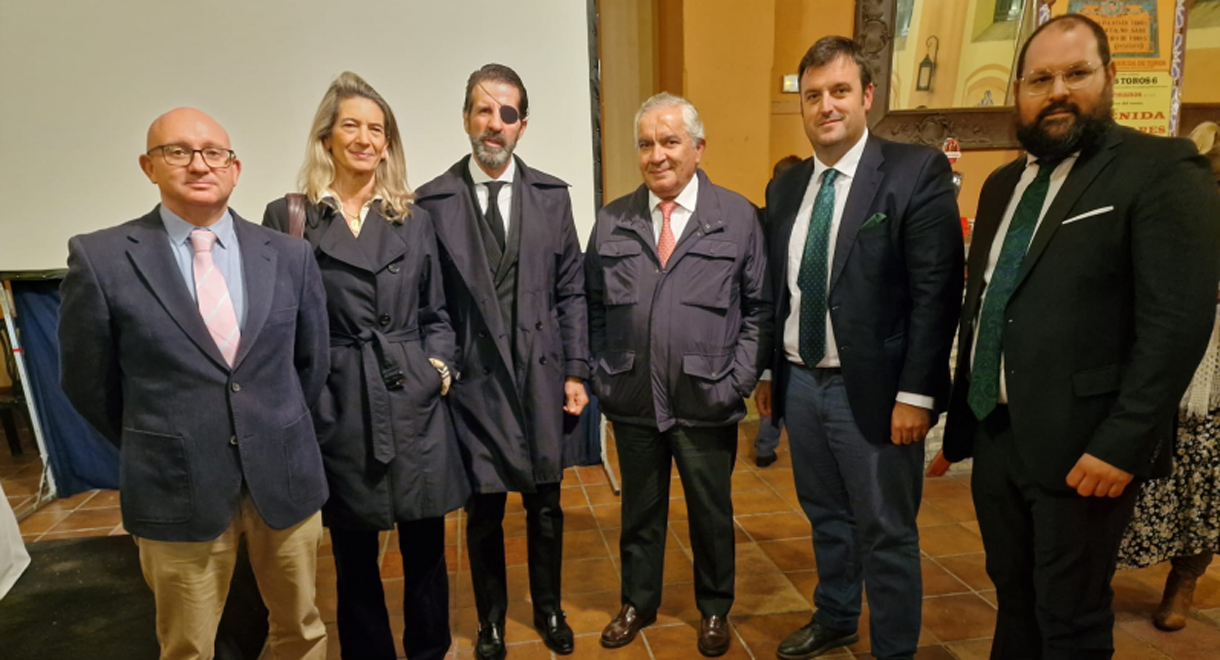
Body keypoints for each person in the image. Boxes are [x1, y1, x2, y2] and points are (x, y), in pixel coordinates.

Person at [941, 15, 1220, 659]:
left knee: (1071, 616)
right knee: (1013, 595)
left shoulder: (1159, 169)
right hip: (997, 433)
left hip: (1085, 448)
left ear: (1109, 76)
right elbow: (988, 305)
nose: (1057, 91)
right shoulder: (1003, 184)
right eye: (1040, 79)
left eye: (1076, 73)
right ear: (1019, 90)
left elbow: (1176, 323)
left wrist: (1123, 443)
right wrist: (964, 414)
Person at [59, 107, 330, 660]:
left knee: (301, 630)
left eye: (214, 153)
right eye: (178, 152)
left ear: (235, 168)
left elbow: (311, 363)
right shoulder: (103, 259)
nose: (199, 165)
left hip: (282, 479)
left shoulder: (289, 255)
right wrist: (160, 439)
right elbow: (88, 383)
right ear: (149, 166)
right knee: (187, 646)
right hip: (175, 485)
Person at [754, 36, 964, 660]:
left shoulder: (913, 171)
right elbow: (776, 291)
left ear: (867, 96)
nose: (826, 106)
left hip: (874, 392)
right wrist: (769, 372)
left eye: (840, 91)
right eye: (813, 95)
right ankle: (837, 615)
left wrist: (916, 394)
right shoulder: (787, 187)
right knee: (826, 516)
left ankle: (894, 650)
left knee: (886, 531)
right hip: (801, 382)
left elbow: (937, 293)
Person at [263, 72, 467, 660]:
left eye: (377, 129)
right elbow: (281, 322)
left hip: (412, 398)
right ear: (326, 137)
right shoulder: (292, 216)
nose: (364, 139)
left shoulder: (412, 217)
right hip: (340, 401)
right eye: (351, 126)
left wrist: (437, 370)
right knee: (353, 555)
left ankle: (429, 651)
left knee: (426, 549)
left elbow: (437, 311)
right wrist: (309, 395)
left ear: (388, 143)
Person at [415, 63, 590, 660]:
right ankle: (490, 621)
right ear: (466, 118)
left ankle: (549, 608)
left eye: (507, 113)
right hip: (473, 386)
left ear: (523, 125)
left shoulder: (552, 197)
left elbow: (571, 291)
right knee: (484, 511)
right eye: (484, 111)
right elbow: (428, 302)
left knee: (546, 507)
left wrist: (575, 370)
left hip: (541, 378)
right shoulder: (431, 202)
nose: (495, 124)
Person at [587, 93, 771, 657]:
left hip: (706, 397)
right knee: (639, 513)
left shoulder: (736, 216)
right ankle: (637, 602)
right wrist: (602, 374)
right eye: (646, 144)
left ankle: (714, 608)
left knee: (711, 514)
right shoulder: (612, 219)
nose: (657, 155)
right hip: (633, 398)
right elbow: (591, 306)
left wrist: (739, 380)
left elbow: (758, 309)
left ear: (698, 147)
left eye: (670, 141)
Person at [1117, 120, 1220, 631]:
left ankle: (1184, 580)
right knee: (1133, 469)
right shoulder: (1169, 194)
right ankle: (1094, 572)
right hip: (1160, 351)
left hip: (1214, 370)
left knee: (1204, 478)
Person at [753, 154, 803, 468]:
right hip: (780, 309)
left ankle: (765, 445)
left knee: (772, 379)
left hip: (770, 310)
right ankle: (766, 443)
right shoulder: (773, 218)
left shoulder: (760, 217)